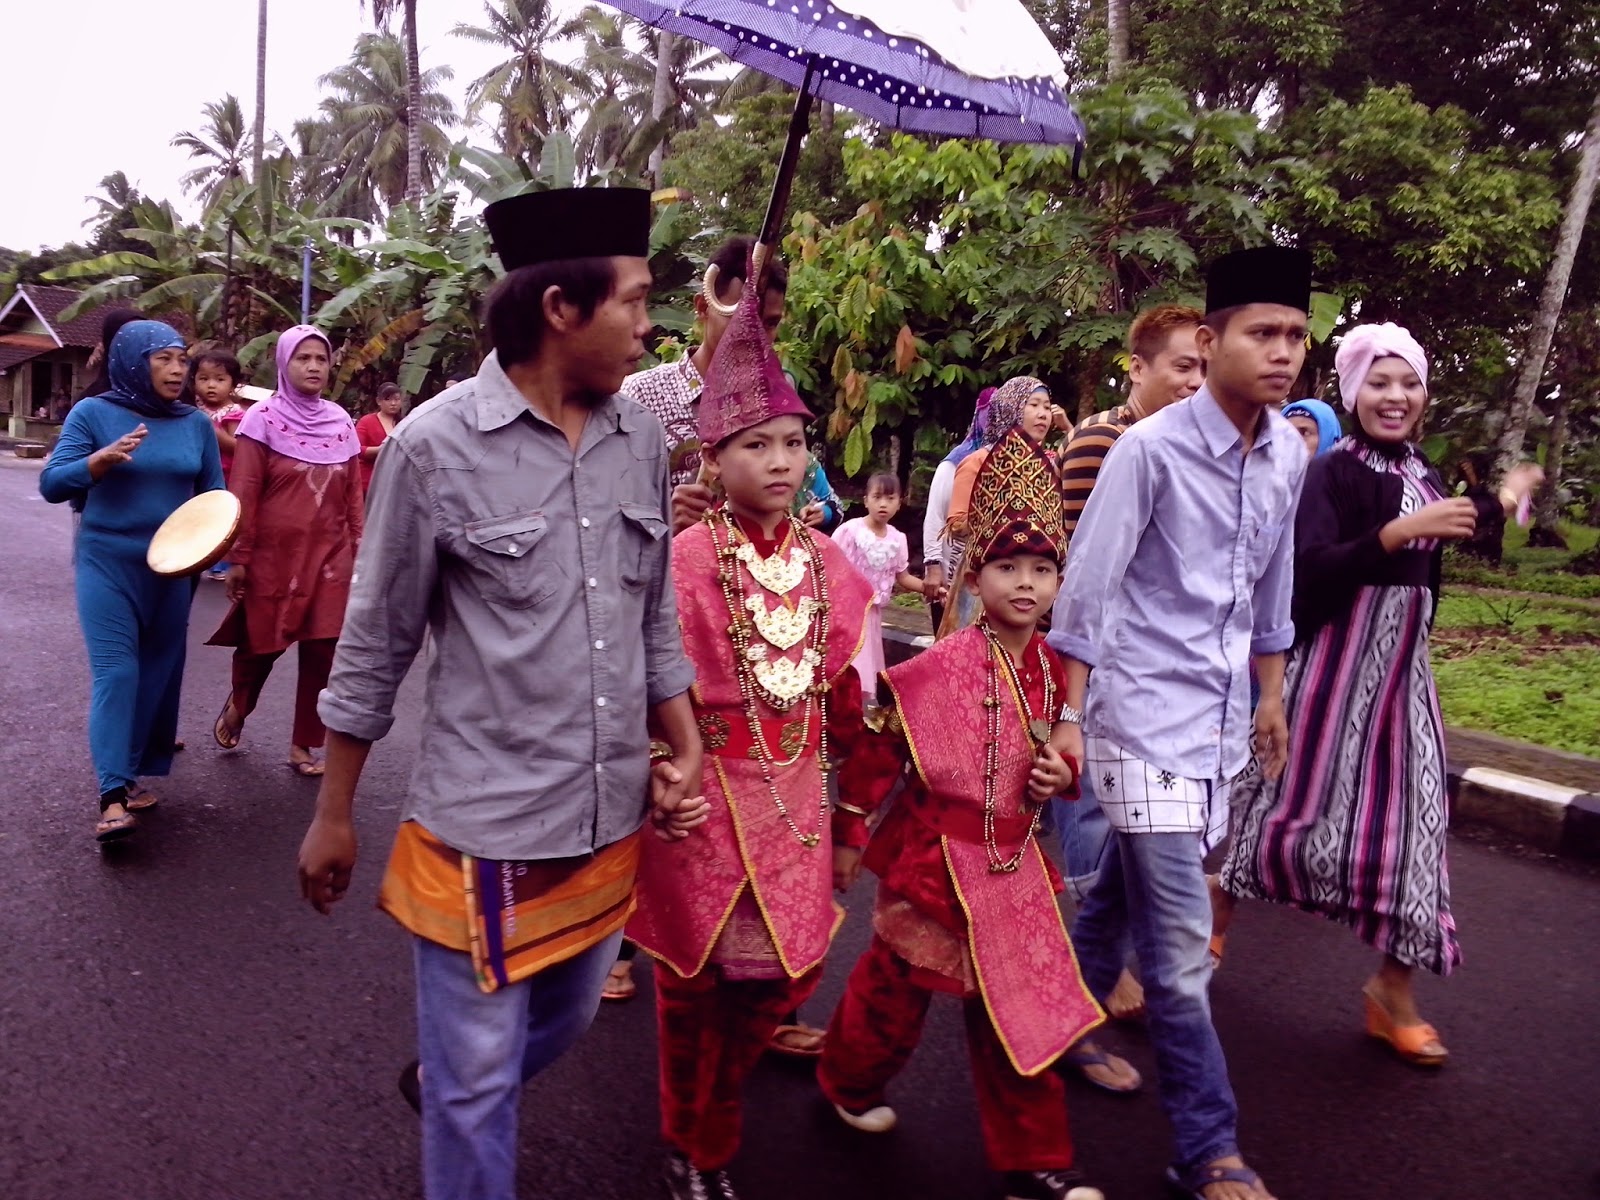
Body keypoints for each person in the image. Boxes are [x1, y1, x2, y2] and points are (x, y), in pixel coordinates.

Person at [295, 187, 703, 1200]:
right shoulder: (434, 447)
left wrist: (683, 741)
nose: (652, 324)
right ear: (562, 308)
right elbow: (376, 639)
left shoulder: (639, 442)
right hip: (482, 827)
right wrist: (334, 815)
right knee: (480, 1090)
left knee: (558, 1021)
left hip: (608, 815)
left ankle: (455, 1085)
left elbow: (650, 611)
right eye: (637, 300)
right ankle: (463, 1106)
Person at [1052, 246, 1316, 1200]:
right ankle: (1210, 1148)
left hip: (1217, 723)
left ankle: (1057, 1024)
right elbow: (1087, 586)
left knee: (1122, 892)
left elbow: (1274, 582)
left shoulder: (1288, 452)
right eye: (1262, 333)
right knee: (1175, 946)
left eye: (1295, 334)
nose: (1282, 352)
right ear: (1211, 343)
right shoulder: (1148, 449)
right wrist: (1071, 717)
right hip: (1135, 719)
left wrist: (1273, 692)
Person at [1219, 323, 1543, 1067]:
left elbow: (1451, 520)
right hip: (1329, 671)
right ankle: (1213, 914)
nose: (1395, 397)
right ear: (1352, 389)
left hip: (1402, 682)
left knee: (1419, 830)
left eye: (1409, 383)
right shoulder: (1331, 471)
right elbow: (1307, 570)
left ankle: (1390, 990)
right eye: (1379, 382)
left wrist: (1500, 498)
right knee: (1272, 805)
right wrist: (1398, 535)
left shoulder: (1419, 468)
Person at [625, 277, 873, 1200]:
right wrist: (660, 769)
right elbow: (642, 683)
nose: (780, 460)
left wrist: (852, 823)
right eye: (755, 444)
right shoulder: (683, 559)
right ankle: (696, 1145)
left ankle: (718, 1105)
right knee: (691, 988)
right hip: (701, 796)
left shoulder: (834, 565)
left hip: (798, 805)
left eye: (793, 442)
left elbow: (853, 702)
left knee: (774, 984)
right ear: (713, 455)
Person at [821, 428, 1106, 1200]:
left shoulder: (1054, 672)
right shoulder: (933, 668)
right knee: (893, 992)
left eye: (1041, 569)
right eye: (1007, 567)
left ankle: (1034, 1158)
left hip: (1014, 867)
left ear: (1057, 580)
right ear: (975, 577)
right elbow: (879, 760)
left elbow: (1064, 757)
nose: (1025, 583)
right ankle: (846, 1078)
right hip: (933, 863)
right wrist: (848, 838)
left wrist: (1061, 770)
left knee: (1021, 1007)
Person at [1050, 303, 1205, 1027]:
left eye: (1203, 367)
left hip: (1151, 665)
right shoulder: (1107, 440)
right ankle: (1093, 968)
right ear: (1137, 368)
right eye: (1181, 366)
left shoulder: (1181, 445)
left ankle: (1097, 957)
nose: (1194, 381)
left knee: (1132, 813)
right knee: (1089, 802)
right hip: (1100, 656)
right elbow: (1088, 571)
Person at [39, 320, 225, 841]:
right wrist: (96, 464)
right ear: (132, 361)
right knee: (117, 673)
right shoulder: (93, 413)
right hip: (108, 563)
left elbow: (214, 493)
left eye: (181, 360)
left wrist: (222, 543)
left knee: (157, 674)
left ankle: (133, 768)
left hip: (174, 569)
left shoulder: (194, 424)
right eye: (163, 358)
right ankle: (113, 795)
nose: (176, 369)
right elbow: (52, 482)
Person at [208, 326, 362, 777]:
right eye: (303, 358)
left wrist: (362, 552)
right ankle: (240, 703)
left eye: (321, 359)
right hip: (275, 556)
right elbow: (246, 491)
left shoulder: (341, 422)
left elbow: (354, 496)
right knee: (262, 644)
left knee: (323, 651)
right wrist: (239, 556)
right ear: (284, 364)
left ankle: (303, 745)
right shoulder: (262, 420)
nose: (314, 366)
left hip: (332, 555)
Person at [620, 234, 786, 525]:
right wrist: (666, 525)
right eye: (740, 319)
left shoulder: (774, 402)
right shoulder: (639, 396)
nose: (756, 337)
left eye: (769, 323)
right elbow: (603, 515)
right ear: (702, 306)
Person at [937, 377, 1055, 638]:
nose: (1042, 414)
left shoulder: (1048, 466)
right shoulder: (978, 461)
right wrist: (1008, 520)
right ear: (1010, 409)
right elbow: (957, 522)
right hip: (985, 579)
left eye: (1047, 407)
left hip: (1029, 581)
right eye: (1033, 404)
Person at [833, 473, 927, 708]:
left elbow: (903, 577)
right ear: (866, 501)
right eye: (877, 497)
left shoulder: (898, 539)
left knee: (868, 663)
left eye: (890, 498)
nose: (883, 504)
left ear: (899, 502)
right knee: (849, 660)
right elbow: (829, 562)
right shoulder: (850, 531)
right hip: (847, 611)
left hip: (873, 615)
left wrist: (930, 588)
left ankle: (860, 715)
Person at [923, 387, 993, 629]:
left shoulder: (1010, 461)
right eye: (989, 413)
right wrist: (933, 566)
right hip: (951, 566)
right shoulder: (957, 461)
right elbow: (935, 515)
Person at [186, 347, 247, 581]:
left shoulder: (232, 412)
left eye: (219, 379)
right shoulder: (193, 410)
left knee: (220, 521)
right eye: (204, 379)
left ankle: (220, 563)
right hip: (196, 473)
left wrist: (213, 430)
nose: (211, 385)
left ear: (233, 385)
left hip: (225, 476)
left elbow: (236, 446)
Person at [355, 382, 404, 493]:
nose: (393, 403)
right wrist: (381, 450)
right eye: (388, 399)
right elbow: (357, 449)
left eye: (397, 399)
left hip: (395, 483)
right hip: (369, 483)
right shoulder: (367, 421)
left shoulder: (404, 423)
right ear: (378, 401)